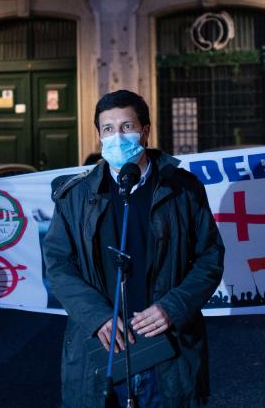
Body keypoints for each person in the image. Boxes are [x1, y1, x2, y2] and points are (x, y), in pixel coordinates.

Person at [43, 90, 225, 407]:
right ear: (99, 135)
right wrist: (97, 317)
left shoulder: (183, 189)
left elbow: (210, 258)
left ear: (145, 130)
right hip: (100, 352)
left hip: (167, 352)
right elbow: (58, 265)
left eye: (126, 126)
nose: (117, 136)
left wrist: (174, 307)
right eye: (108, 129)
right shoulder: (74, 196)